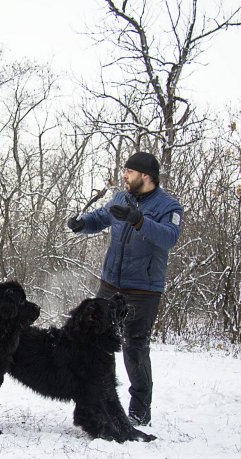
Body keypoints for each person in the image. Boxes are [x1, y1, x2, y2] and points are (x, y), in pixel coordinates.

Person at [67, 152, 183, 426]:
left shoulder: (170, 207)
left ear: (146, 176)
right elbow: (100, 219)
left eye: (129, 171)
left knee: (134, 346)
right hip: (111, 284)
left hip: (142, 289)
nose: (124, 175)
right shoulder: (121, 198)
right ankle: (94, 402)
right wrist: (82, 225)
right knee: (91, 341)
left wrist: (138, 220)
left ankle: (139, 412)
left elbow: (169, 238)